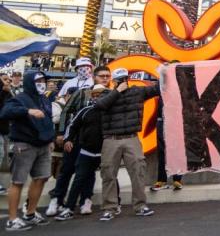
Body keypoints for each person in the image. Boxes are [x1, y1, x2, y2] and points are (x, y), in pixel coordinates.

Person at [46, 65, 112, 216]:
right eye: (102, 76)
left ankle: (86, 200)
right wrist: (62, 133)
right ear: (94, 77)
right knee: (67, 170)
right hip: (75, 140)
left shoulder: (112, 94)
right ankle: (57, 199)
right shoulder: (82, 93)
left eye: (107, 76)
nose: (105, 78)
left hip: (95, 142)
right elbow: (66, 111)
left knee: (89, 173)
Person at [95, 67, 159, 221]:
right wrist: (117, 91)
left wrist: (166, 72)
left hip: (131, 137)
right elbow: (100, 106)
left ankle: (140, 205)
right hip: (111, 138)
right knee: (109, 173)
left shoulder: (137, 92)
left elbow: (157, 89)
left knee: (138, 171)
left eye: (125, 79)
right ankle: (109, 208)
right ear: (114, 81)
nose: (123, 81)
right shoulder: (105, 93)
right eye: (120, 79)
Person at [0, 69, 56, 231]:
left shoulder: (44, 100)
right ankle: (12, 219)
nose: (42, 84)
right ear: (30, 82)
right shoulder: (19, 99)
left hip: (43, 145)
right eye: (38, 81)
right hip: (24, 145)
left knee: (42, 177)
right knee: (18, 181)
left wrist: (50, 138)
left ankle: (30, 213)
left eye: (43, 81)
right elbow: (5, 112)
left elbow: (48, 120)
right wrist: (27, 111)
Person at [55, 84, 108, 220]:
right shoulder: (85, 110)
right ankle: (68, 208)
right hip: (87, 151)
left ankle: (114, 205)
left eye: (101, 95)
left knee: (110, 178)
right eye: (95, 95)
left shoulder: (111, 111)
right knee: (79, 178)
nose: (97, 97)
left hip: (105, 151)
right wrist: (68, 139)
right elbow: (72, 125)